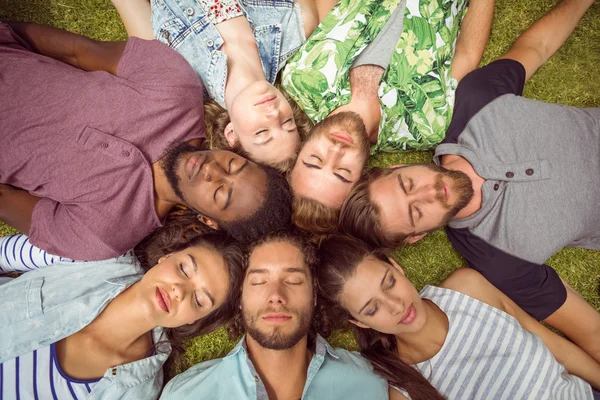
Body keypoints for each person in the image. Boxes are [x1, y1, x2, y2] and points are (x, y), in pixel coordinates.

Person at [339, 0, 600, 363]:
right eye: (416, 213)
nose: (429, 193)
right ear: (418, 236)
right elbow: (590, 331)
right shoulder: (497, 261)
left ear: (398, 166)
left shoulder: (475, 102)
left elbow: (534, 48)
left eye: (408, 184)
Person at [0, 22, 292, 261]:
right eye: (232, 164)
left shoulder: (103, 234)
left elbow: (6, 200)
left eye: (219, 193)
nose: (212, 171)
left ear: (208, 220)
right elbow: (76, 52)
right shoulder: (177, 87)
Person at [282, 0, 495, 232]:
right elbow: (468, 53)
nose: (335, 151)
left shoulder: (302, 79)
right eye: (343, 172)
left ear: (299, 150)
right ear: (362, 178)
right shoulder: (423, 125)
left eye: (315, 159)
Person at [317, 235, 600, 400]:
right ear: (360, 322)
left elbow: (555, 347)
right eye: (371, 308)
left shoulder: (467, 288)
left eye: (389, 282)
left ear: (397, 267)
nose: (396, 306)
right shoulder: (404, 388)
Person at [160, 230, 402, 399]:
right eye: (259, 281)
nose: (276, 294)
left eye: (294, 280)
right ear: (241, 299)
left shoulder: (370, 383)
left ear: (314, 296)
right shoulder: (186, 394)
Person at [0, 232, 244, 399]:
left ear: (195, 320)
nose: (179, 291)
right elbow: (4, 254)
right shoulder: (96, 252)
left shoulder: (135, 393)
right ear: (167, 256)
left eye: (199, 300)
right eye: (184, 268)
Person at [110, 0, 337, 170]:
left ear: (232, 135)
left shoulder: (173, 74)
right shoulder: (296, 28)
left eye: (262, 132)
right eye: (287, 123)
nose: (274, 114)